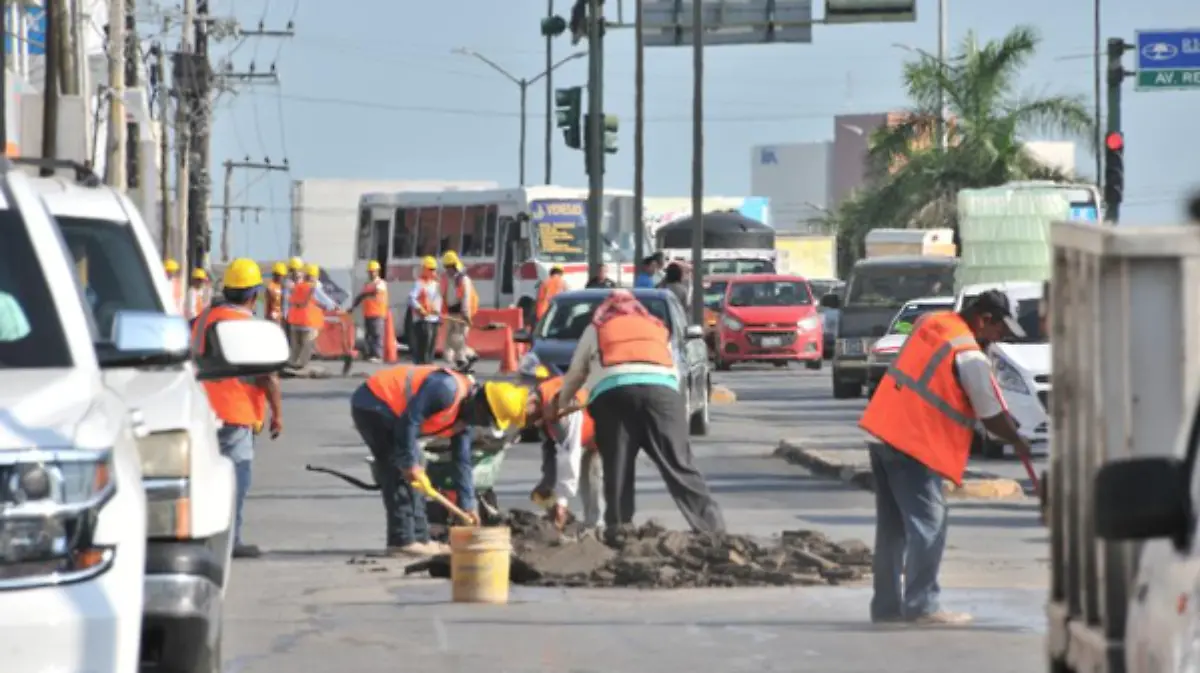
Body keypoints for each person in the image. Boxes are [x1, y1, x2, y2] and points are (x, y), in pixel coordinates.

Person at [859, 290, 1033, 626]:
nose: (1001, 339)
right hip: (914, 444)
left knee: (892, 531)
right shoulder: (968, 354)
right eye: (1000, 331)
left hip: (884, 431)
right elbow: (991, 415)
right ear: (984, 320)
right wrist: (1017, 439)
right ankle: (922, 606)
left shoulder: (933, 322)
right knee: (929, 526)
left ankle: (886, 608)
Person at [552, 289, 725, 533]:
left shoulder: (597, 328)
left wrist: (562, 404)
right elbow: (673, 368)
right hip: (663, 395)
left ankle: (619, 529)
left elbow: (577, 372)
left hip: (614, 396)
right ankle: (712, 529)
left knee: (618, 464)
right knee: (679, 463)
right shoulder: (656, 326)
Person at [350, 365, 530, 557]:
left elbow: (462, 461)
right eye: (486, 419)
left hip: (395, 414)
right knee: (398, 468)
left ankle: (421, 539)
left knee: (419, 472)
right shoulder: (445, 389)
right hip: (374, 403)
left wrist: (468, 505)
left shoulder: (465, 418)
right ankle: (402, 541)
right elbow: (409, 423)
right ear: (481, 405)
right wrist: (409, 463)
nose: (483, 425)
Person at [191, 259, 283, 559]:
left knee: (202, 476)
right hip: (235, 411)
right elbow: (267, 377)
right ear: (253, 294)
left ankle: (200, 536)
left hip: (199, 410)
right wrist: (277, 414)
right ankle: (231, 540)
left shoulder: (203, 319)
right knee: (236, 479)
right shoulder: (249, 327)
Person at [519, 353, 603, 529]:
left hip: (607, 429)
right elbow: (551, 449)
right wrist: (548, 483)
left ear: (533, 406)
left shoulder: (562, 412)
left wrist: (562, 501)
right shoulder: (540, 399)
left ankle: (599, 529)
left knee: (593, 476)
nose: (529, 424)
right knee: (563, 483)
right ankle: (583, 523)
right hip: (585, 429)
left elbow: (569, 456)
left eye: (528, 419)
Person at [285, 263, 340, 371]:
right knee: (307, 345)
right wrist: (335, 307)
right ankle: (301, 365)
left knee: (296, 345)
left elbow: (291, 300)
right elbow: (326, 302)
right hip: (309, 321)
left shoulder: (297, 286)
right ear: (315, 276)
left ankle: (292, 362)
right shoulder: (313, 288)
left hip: (295, 321)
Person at [440, 250, 479, 368]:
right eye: (445, 267)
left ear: (454, 266)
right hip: (452, 313)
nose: (447, 270)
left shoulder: (463, 280)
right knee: (450, 339)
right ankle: (462, 357)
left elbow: (466, 298)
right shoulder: (449, 279)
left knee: (459, 338)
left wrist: (466, 314)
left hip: (461, 313)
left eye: (448, 267)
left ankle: (465, 357)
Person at [351, 260, 390, 363]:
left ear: (377, 272)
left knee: (377, 335)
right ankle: (370, 354)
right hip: (368, 313)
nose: (371, 273)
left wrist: (364, 295)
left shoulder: (381, 283)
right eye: (370, 271)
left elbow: (374, 293)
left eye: (373, 271)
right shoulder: (367, 284)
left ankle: (378, 356)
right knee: (369, 335)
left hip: (378, 313)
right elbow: (361, 296)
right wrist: (353, 306)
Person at [407, 256, 442, 365]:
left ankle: (428, 366)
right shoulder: (419, 283)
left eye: (434, 269)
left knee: (431, 347)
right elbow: (411, 298)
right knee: (423, 347)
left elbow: (439, 299)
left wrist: (438, 312)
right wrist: (419, 308)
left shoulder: (437, 285)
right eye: (431, 269)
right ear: (425, 269)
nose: (433, 272)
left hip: (434, 319)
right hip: (422, 319)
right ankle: (421, 366)